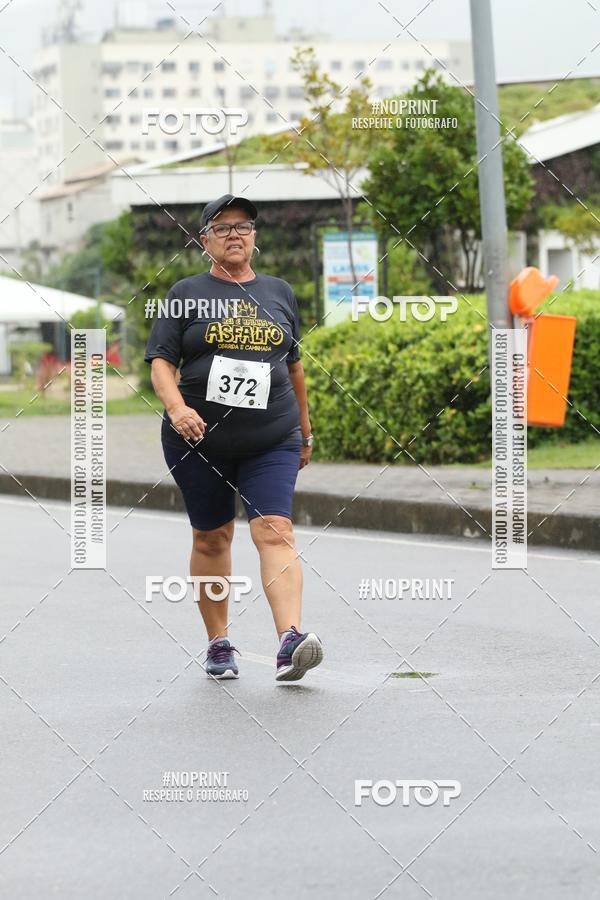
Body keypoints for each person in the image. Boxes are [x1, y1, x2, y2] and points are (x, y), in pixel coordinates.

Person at [144, 194, 324, 682]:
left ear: (255, 237)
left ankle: (290, 640)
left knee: (275, 530)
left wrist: (304, 431)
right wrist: (178, 409)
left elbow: (294, 366)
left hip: (271, 437)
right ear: (205, 240)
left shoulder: (279, 292)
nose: (235, 235)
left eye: (243, 226)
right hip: (198, 439)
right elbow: (161, 361)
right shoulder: (185, 293)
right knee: (211, 536)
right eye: (222, 228)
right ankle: (218, 642)